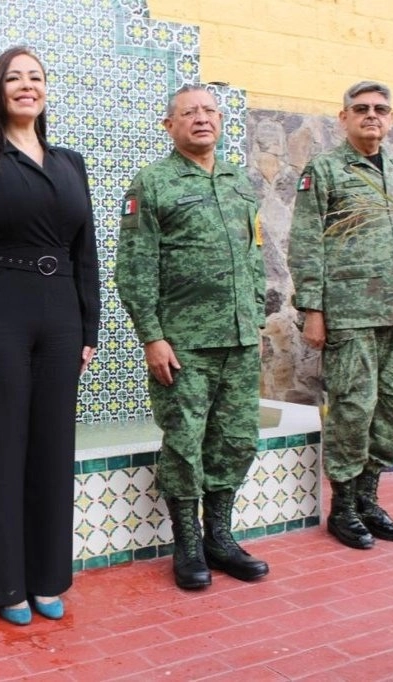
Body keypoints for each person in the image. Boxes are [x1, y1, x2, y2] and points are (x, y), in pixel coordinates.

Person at [0, 46, 100, 625]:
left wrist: (90, 326)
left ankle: (48, 578)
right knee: (2, 447)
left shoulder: (70, 163)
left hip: (61, 315)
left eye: (36, 76)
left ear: (45, 89)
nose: (27, 86)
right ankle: (7, 586)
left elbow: (87, 252)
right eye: (15, 78)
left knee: (53, 448)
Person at [115, 85, 269, 591]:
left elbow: (254, 254)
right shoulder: (152, 183)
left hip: (241, 339)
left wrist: (257, 319)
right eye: (189, 113)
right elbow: (134, 269)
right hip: (183, 343)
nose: (201, 119)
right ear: (169, 126)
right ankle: (187, 546)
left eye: (209, 111)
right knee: (184, 443)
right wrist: (152, 337)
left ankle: (219, 539)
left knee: (237, 439)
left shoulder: (238, 181)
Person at [288, 80, 393, 550]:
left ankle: (368, 498)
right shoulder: (326, 170)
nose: (371, 115)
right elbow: (305, 243)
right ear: (344, 118)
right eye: (361, 109)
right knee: (353, 410)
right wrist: (313, 311)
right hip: (350, 315)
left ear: (392, 118)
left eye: (380, 109)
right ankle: (343, 509)